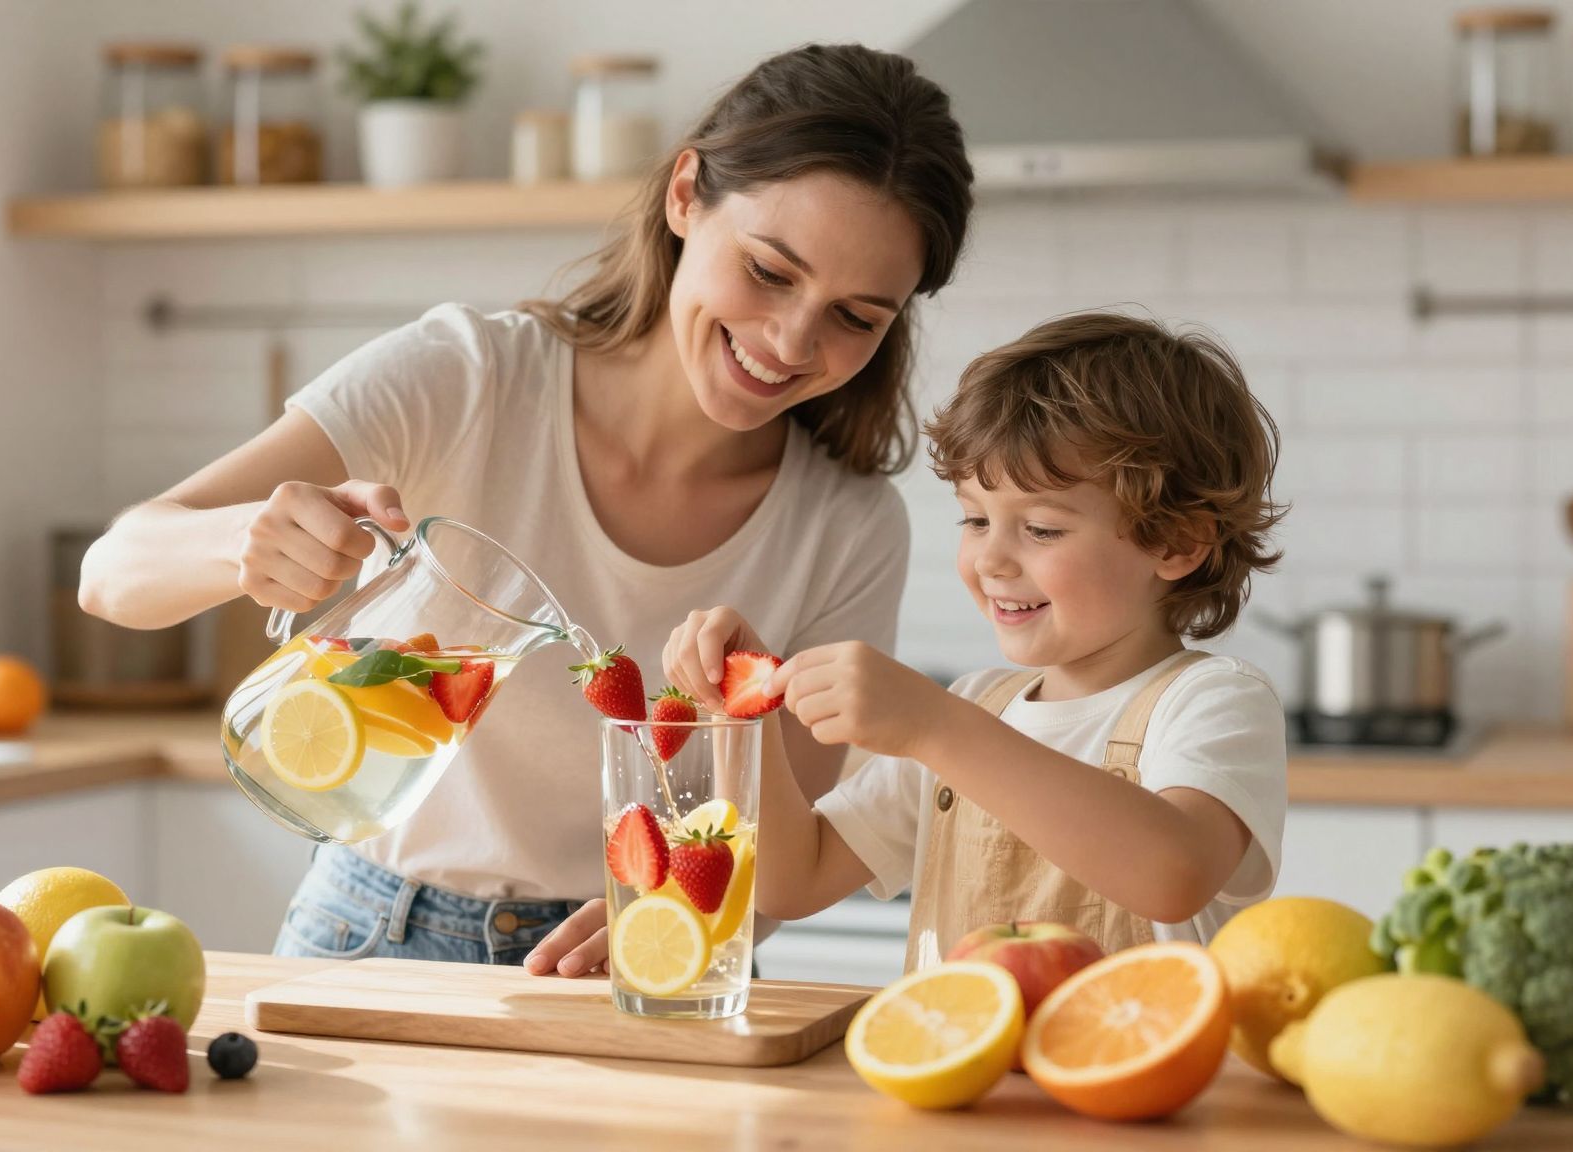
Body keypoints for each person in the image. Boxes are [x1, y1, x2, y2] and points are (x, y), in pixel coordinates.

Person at [77, 43, 974, 970]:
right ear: (685, 196)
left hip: (636, 958)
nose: (791, 340)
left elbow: (772, 852)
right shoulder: (467, 378)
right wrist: (243, 539)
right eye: (770, 272)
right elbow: (111, 574)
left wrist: (682, 915)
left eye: (855, 317)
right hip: (374, 935)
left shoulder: (848, 527)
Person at [663, 312, 1288, 971]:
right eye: (976, 520)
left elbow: (1172, 876)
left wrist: (934, 726)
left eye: (1041, 529)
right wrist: (743, 715)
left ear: (1177, 543)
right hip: (954, 1040)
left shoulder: (1212, 701)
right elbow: (793, 881)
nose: (991, 560)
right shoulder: (975, 707)